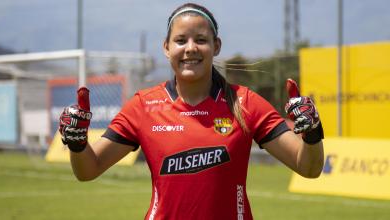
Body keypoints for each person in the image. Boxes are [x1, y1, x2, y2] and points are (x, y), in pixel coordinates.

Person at [59, 3, 324, 220]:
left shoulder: (246, 103)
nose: (190, 48)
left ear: (216, 46)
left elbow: (308, 167)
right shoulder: (143, 106)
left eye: (200, 40)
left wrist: (311, 133)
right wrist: (78, 143)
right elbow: (88, 170)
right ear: (166, 47)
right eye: (180, 40)